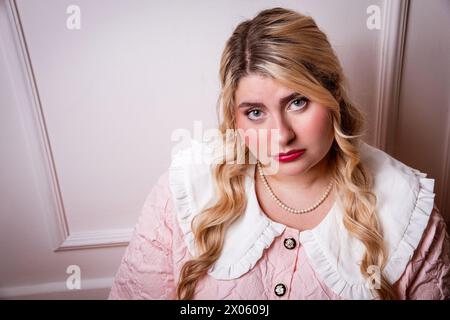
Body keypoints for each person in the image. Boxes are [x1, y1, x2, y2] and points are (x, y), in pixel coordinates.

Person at [109, 7, 450, 300]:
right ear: (234, 116)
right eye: (255, 112)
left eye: (298, 102)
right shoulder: (185, 187)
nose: (281, 136)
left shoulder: (408, 209)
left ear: (333, 94)